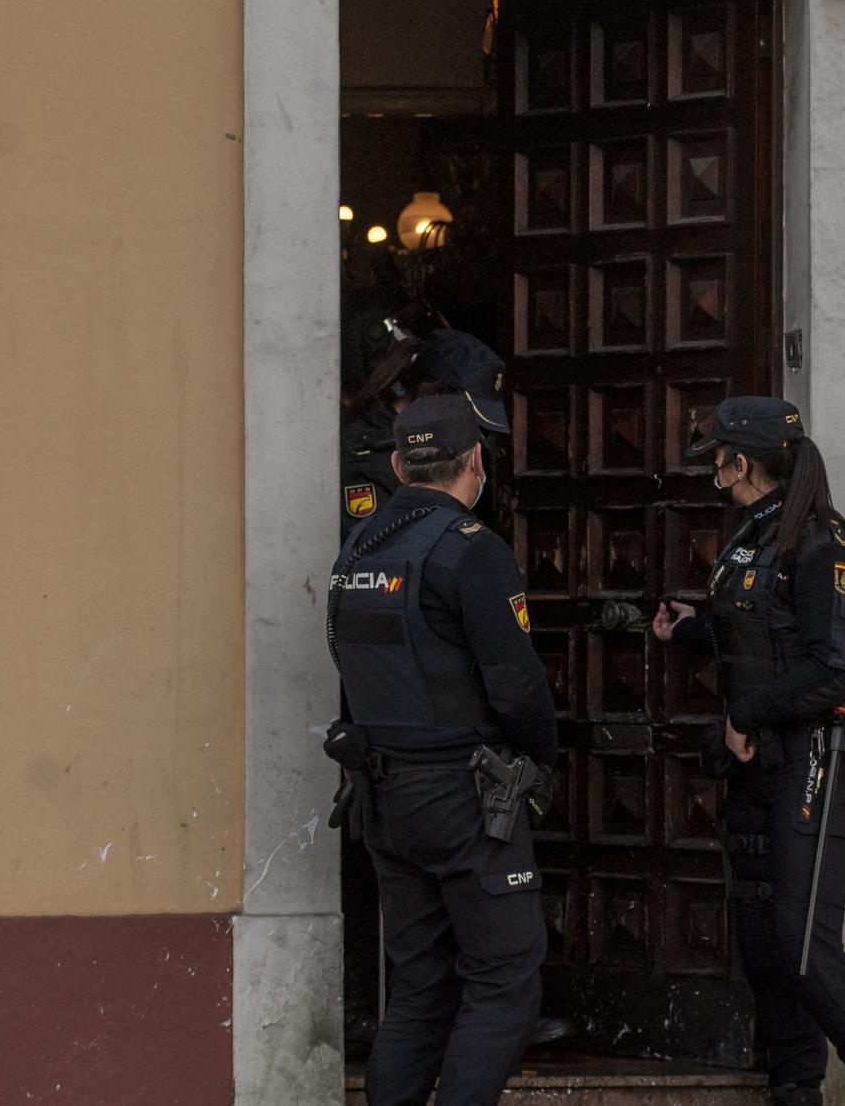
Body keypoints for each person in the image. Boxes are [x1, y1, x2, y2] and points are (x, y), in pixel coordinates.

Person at [653, 397, 845, 1106]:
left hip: (816, 755)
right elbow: (761, 632)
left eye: (719, 452)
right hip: (759, 763)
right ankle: (795, 1088)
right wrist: (690, 630)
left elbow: (833, 667)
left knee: (804, 945)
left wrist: (744, 711)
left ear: (747, 459)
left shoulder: (827, 542)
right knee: (766, 944)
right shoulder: (753, 535)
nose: (711, 464)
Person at [327, 392, 559, 1106]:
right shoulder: (470, 550)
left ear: (399, 464)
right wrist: (543, 765)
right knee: (506, 982)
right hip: (466, 797)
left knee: (421, 990)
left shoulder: (356, 550)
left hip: (388, 799)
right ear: (475, 462)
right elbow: (517, 685)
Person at [341, 328, 507, 536]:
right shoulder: (367, 454)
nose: (470, 432)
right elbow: (378, 552)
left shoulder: (446, 447)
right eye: (467, 418)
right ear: (430, 391)